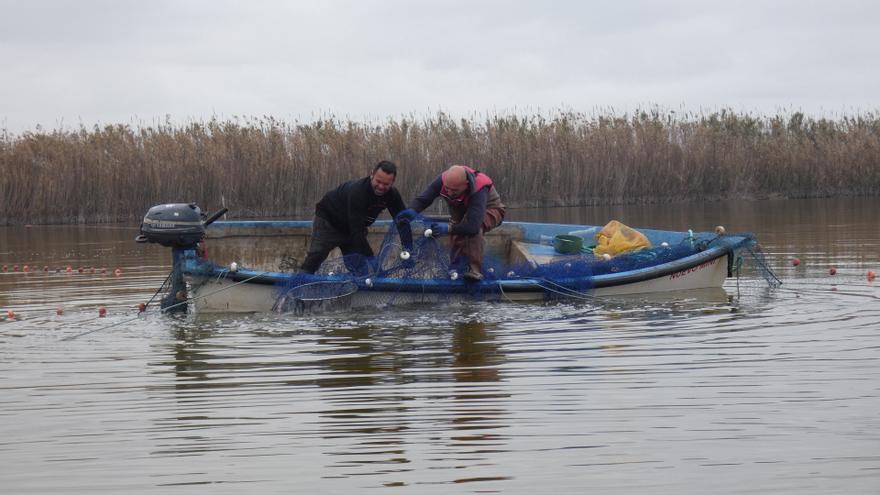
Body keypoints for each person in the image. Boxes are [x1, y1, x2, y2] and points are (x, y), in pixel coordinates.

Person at [396, 164, 505, 281]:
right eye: (447, 189)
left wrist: (447, 228)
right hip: (463, 212)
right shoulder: (442, 181)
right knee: (457, 232)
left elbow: (472, 226)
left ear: (466, 184)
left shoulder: (479, 189)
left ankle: (474, 271)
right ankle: (455, 268)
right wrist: (412, 210)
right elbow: (423, 200)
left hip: (491, 210)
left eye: (454, 190)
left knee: (474, 230)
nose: (449, 193)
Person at [300, 160, 407, 275]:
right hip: (328, 221)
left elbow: (403, 222)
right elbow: (357, 232)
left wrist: (408, 249)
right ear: (372, 174)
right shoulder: (358, 192)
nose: (381, 187)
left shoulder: (393, 195)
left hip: (352, 228)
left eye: (386, 184)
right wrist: (371, 259)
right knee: (316, 257)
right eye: (378, 181)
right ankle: (299, 285)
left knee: (360, 269)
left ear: (392, 182)